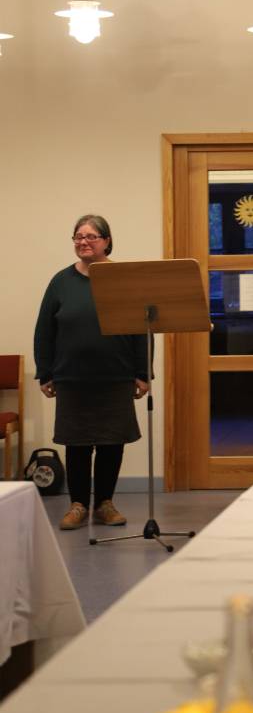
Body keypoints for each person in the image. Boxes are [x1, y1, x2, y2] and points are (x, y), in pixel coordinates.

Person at [34, 214, 149, 529]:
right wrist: (45, 372)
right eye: (77, 236)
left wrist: (143, 373)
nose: (83, 241)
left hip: (116, 376)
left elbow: (141, 329)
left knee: (112, 443)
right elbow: (44, 330)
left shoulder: (123, 279)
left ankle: (105, 504)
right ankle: (78, 505)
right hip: (72, 377)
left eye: (91, 236)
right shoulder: (60, 282)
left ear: (107, 240)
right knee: (77, 444)